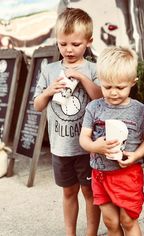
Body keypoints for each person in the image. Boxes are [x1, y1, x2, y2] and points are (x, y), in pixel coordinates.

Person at [34, 8, 102, 236]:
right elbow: (37, 105)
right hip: (61, 147)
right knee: (68, 192)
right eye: (63, 44)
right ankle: (70, 233)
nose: (69, 50)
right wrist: (49, 91)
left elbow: (100, 97)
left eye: (75, 44)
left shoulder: (93, 69)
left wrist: (82, 78)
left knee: (89, 192)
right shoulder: (49, 70)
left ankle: (91, 233)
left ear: (89, 42)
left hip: (87, 147)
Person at [79, 46, 144, 236]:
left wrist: (137, 154)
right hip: (100, 173)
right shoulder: (94, 107)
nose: (113, 92)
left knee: (127, 220)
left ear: (132, 82)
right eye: (107, 87)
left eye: (120, 87)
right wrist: (94, 146)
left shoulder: (139, 110)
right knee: (110, 221)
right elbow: (84, 138)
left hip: (127, 174)